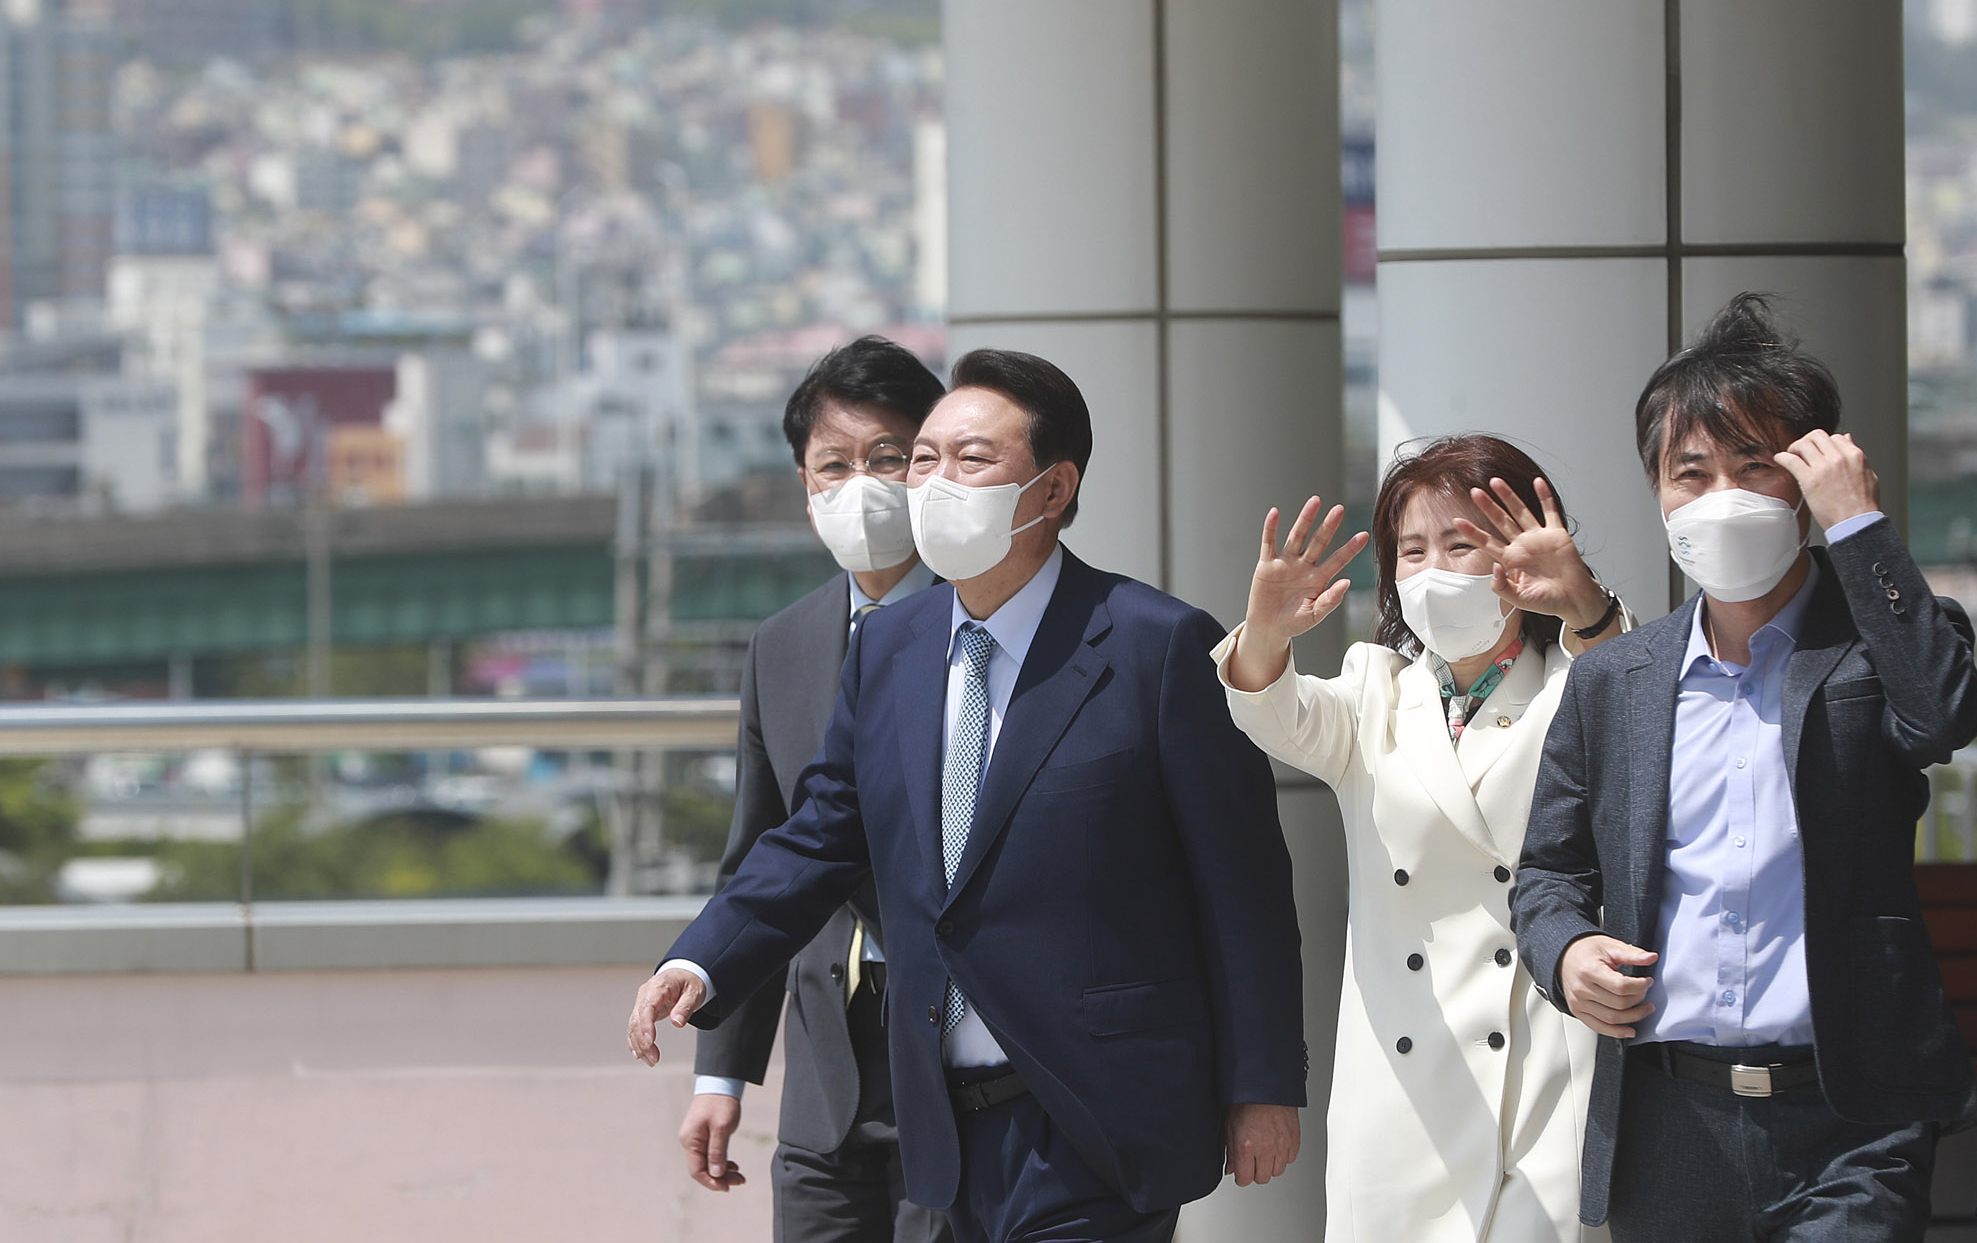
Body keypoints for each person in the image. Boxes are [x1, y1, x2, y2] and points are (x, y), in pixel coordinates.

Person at [629, 349, 1307, 1243]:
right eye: (926, 460)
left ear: (1054, 489)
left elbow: (1243, 883)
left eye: (972, 460)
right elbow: (821, 831)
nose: (936, 483)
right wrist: (702, 959)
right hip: (938, 1123)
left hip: (1094, 1113)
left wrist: (1261, 1084)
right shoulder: (888, 650)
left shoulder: (1156, 647)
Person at [1513, 292, 1977, 1242]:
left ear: (1809, 481)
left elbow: (1941, 714)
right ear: (1655, 491)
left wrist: (1860, 529)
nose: (1721, 496)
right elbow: (1548, 875)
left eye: (1755, 466)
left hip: (1850, 1121)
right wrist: (1566, 954)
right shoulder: (1615, 680)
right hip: (1666, 1117)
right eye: (1690, 473)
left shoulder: (1873, 651)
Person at [1212, 434, 1628, 1243]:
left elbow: (1634, 701)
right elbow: (1273, 711)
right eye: (1412, 550)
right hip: (1402, 1104)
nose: (1435, 568)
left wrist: (1587, 604)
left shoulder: (1578, 681)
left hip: (1547, 1080)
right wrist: (1265, 631)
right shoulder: (1376, 690)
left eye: (1460, 543)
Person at [681, 336, 952, 1242]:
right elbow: (759, 862)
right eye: (832, 466)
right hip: (823, 1070)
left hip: (965, 1059)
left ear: (933, 464)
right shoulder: (782, 647)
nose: (861, 487)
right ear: (804, 487)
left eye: (887, 458)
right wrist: (722, 1075)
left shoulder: (990, 622)